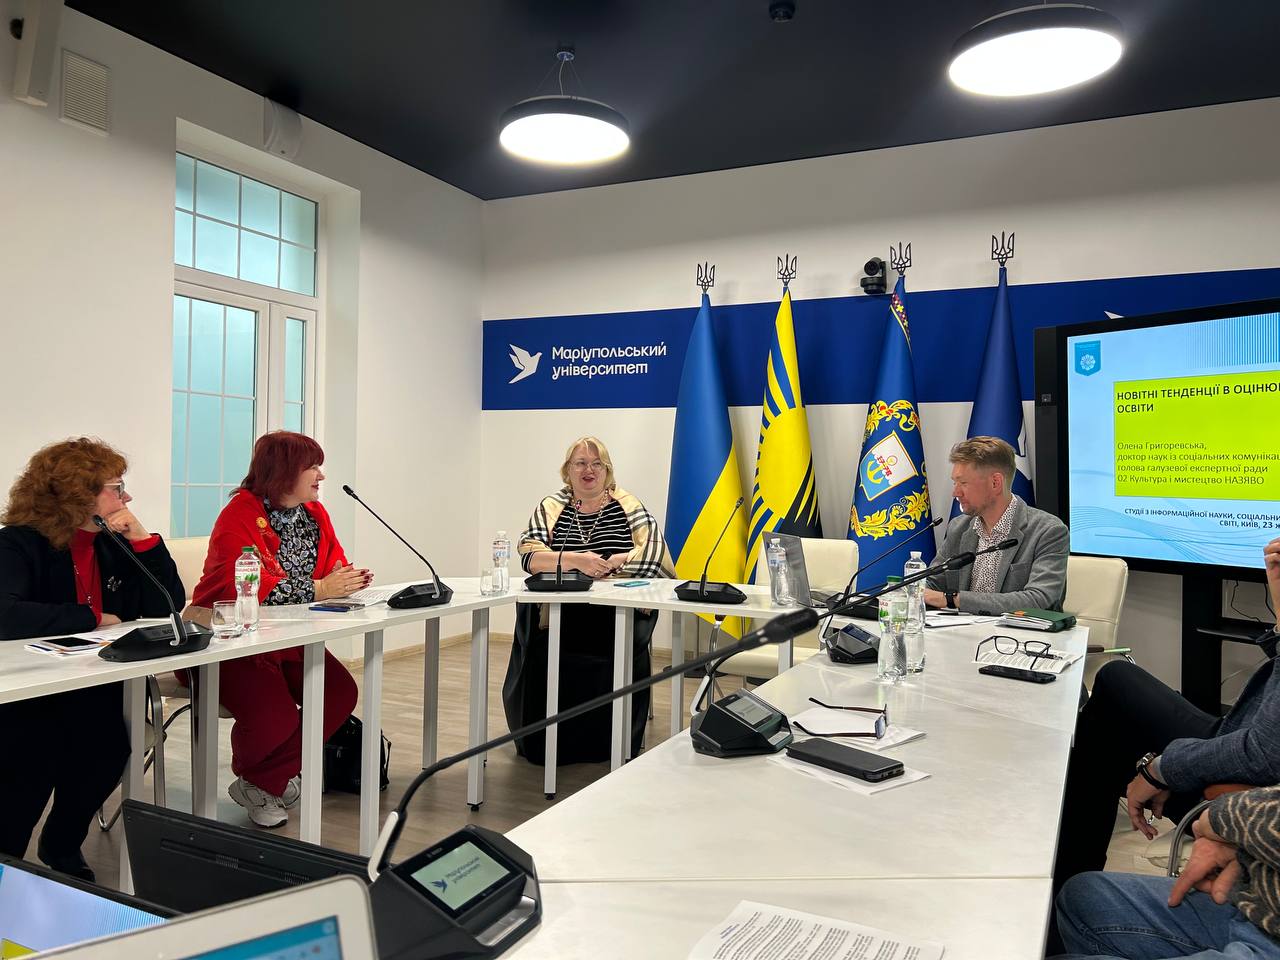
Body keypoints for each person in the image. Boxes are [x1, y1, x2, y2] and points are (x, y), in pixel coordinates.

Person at [0, 438, 186, 881]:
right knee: (31, 766)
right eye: (116, 488)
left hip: (92, 682)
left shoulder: (110, 542)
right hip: (30, 689)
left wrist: (143, 540)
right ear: (77, 493)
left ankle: (61, 844)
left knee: (107, 752)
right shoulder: (17, 544)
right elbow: (5, 613)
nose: (127, 497)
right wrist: (91, 617)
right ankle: (8, 863)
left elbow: (167, 603)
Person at [1053, 535, 1280, 891]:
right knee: (1115, 696)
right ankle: (1068, 883)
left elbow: (1264, 754)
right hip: (1242, 737)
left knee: (1112, 705)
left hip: (1250, 793)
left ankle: (1066, 886)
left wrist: (1163, 768)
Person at [190, 431, 369, 828]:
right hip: (231, 641)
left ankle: (260, 781)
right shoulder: (240, 513)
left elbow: (331, 564)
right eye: (312, 467)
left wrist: (347, 579)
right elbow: (245, 582)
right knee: (277, 717)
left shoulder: (314, 514)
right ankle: (265, 781)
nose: (321, 476)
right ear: (285, 471)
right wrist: (319, 588)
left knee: (339, 693)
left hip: (289, 637)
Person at [503, 436, 674, 764]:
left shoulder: (628, 505)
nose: (588, 470)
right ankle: (545, 741)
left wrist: (616, 563)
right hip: (562, 612)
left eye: (597, 464)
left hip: (617, 611)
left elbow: (656, 554)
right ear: (567, 470)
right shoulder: (552, 506)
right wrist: (576, 560)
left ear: (607, 470)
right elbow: (529, 555)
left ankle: (611, 741)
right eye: (580, 463)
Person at [1054, 785, 1280, 959]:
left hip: (1271, 937)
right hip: (1260, 902)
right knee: (1084, 896)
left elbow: (1261, 750)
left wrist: (1223, 818)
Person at [923, 436, 1068, 615]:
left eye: (964, 483)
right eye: (955, 483)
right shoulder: (959, 527)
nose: (955, 492)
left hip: (1018, 632)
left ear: (995, 483)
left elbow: (1039, 599)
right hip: (960, 629)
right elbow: (932, 583)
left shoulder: (1048, 531)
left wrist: (952, 599)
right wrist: (910, 592)